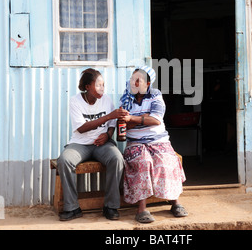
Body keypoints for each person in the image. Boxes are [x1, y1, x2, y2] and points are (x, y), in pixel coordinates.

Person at [57, 68, 128, 221]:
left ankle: (111, 206)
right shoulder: (75, 101)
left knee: (117, 159)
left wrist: (107, 135)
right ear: (88, 86)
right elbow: (81, 128)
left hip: (102, 144)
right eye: (98, 85)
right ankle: (72, 207)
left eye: (103, 85)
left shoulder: (106, 99)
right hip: (80, 144)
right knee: (64, 161)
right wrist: (109, 116)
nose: (102, 89)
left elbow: (112, 123)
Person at [120, 66, 188, 223]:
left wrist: (134, 119)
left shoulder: (156, 95)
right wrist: (144, 118)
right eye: (133, 79)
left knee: (166, 161)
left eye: (139, 80)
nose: (134, 82)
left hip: (158, 140)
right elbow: (124, 125)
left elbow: (156, 120)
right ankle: (142, 209)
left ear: (148, 83)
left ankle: (174, 202)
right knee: (143, 162)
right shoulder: (125, 99)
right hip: (135, 142)